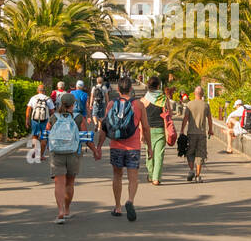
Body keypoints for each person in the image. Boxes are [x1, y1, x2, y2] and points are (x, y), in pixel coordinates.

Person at [95, 76, 149, 221]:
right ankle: (130, 200)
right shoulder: (138, 104)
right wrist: (149, 147)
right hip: (133, 147)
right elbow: (146, 127)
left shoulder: (111, 104)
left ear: (118, 89)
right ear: (131, 89)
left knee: (117, 176)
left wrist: (99, 146)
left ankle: (118, 207)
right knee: (133, 177)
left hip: (116, 145)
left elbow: (104, 127)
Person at [46, 93, 98, 224]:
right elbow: (85, 137)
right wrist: (95, 151)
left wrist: (41, 152)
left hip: (57, 153)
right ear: (73, 105)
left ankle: (60, 211)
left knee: (59, 183)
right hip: (74, 153)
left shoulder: (53, 117)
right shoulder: (78, 118)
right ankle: (67, 209)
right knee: (69, 183)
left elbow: (46, 135)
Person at [141, 75, 170, 186]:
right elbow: (167, 116)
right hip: (160, 130)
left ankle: (150, 174)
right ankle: (156, 178)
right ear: (158, 86)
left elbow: (140, 118)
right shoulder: (163, 99)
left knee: (149, 153)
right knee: (159, 155)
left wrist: (141, 133)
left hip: (147, 130)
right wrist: (167, 132)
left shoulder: (143, 100)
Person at [182, 85, 213, 181]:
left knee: (190, 152)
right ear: (203, 94)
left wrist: (182, 130)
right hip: (201, 134)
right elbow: (210, 119)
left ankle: (191, 170)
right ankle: (198, 175)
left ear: (194, 94)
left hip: (191, 133)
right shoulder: (206, 105)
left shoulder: (189, 104)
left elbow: (186, 118)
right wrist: (210, 130)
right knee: (200, 154)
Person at [26, 82, 55, 160]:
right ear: (44, 91)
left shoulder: (33, 98)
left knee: (35, 136)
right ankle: (41, 156)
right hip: (45, 120)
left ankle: (34, 152)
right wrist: (53, 121)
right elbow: (52, 111)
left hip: (34, 120)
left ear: (37, 90)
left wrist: (27, 120)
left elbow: (28, 109)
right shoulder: (48, 99)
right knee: (44, 137)